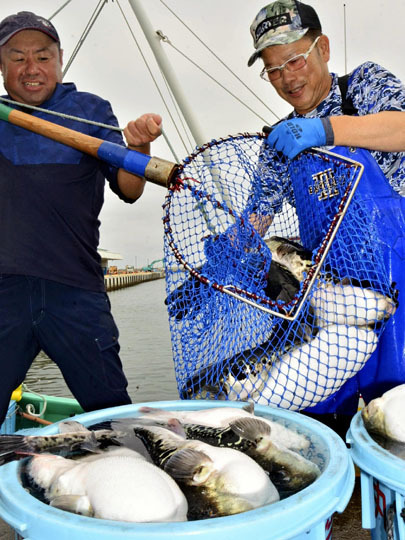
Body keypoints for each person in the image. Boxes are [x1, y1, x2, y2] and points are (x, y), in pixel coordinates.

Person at [247, 0, 405, 437]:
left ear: (324, 48)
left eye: (295, 60)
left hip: (400, 282)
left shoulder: (363, 88)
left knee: (398, 414)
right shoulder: (277, 144)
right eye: (273, 69)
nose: (287, 78)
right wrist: (225, 256)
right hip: (331, 297)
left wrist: (326, 130)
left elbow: (404, 128)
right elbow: (257, 220)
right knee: (321, 420)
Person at [0, 11, 163, 427]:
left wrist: (139, 147)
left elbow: (129, 189)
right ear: (2, 66)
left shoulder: (88, 110)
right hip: (4, 294)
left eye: (42, 56)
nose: (31, 68)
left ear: (59, 60)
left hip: (75, 292)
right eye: (17, 57)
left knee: (112, 416)